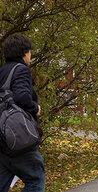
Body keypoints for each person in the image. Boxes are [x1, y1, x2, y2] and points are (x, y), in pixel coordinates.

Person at [0, 35, 45, 191]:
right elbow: (22, 96)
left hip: (2, 140)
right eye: (30, 52)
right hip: (18, 138)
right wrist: (35, 108)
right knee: (36, 180)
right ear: (24, 53)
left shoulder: (2, 72)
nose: (30, 55)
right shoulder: (21, 69)